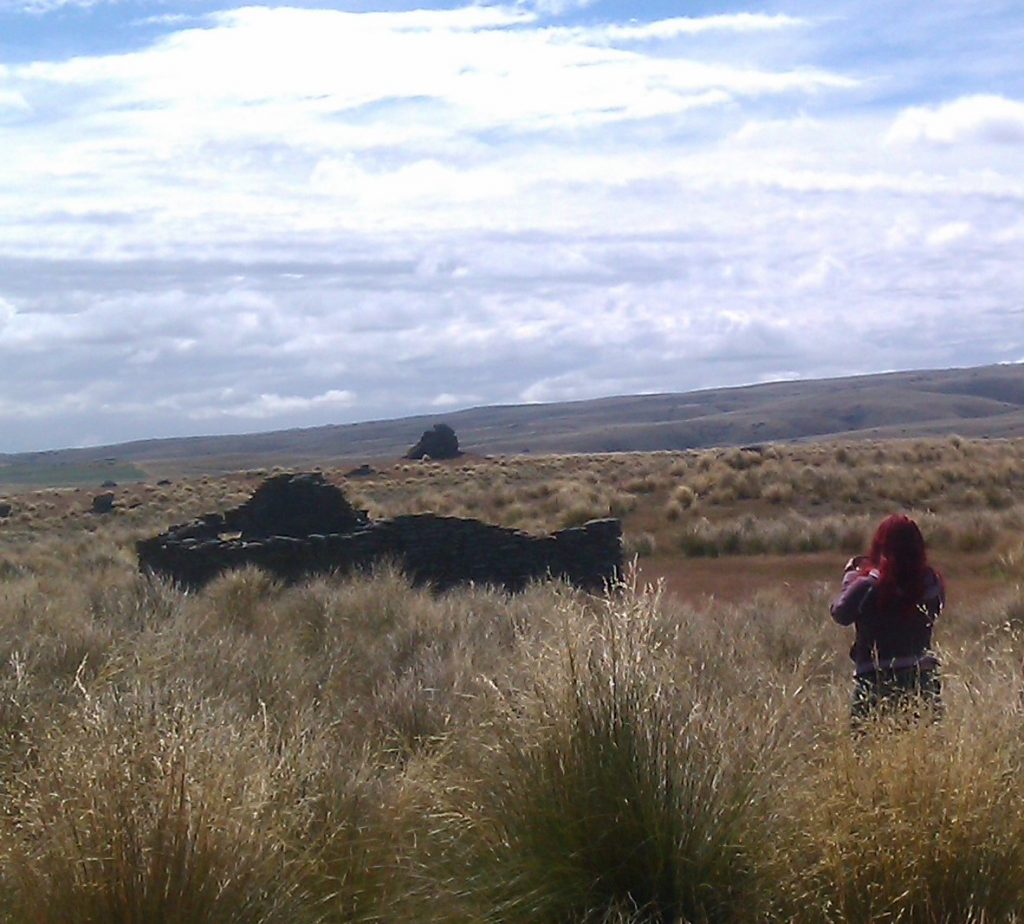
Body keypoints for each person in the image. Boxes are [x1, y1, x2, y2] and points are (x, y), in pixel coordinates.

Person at [831, 514, 945, 724]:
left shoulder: (867, 586)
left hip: (875, 681)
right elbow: (937, 612)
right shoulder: (931, 583)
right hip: (923, 680)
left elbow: (841, 614)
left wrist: (850, 579)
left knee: (865, 750)